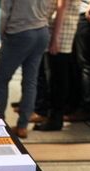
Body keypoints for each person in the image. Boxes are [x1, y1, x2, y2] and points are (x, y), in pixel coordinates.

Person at [0, 0, 61, 139]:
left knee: (1, 79)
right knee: (30, 80)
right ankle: (22, 126)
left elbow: (6, 12)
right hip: (42, 32)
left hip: (19, 32)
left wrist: (3, 37)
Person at [34, 0, 80, 131]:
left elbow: (62, 6)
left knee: (57, 77)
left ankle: (55, 119)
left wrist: (55, 38)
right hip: (58, 29)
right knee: (56, 76)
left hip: (60, 31)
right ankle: (53, 116)